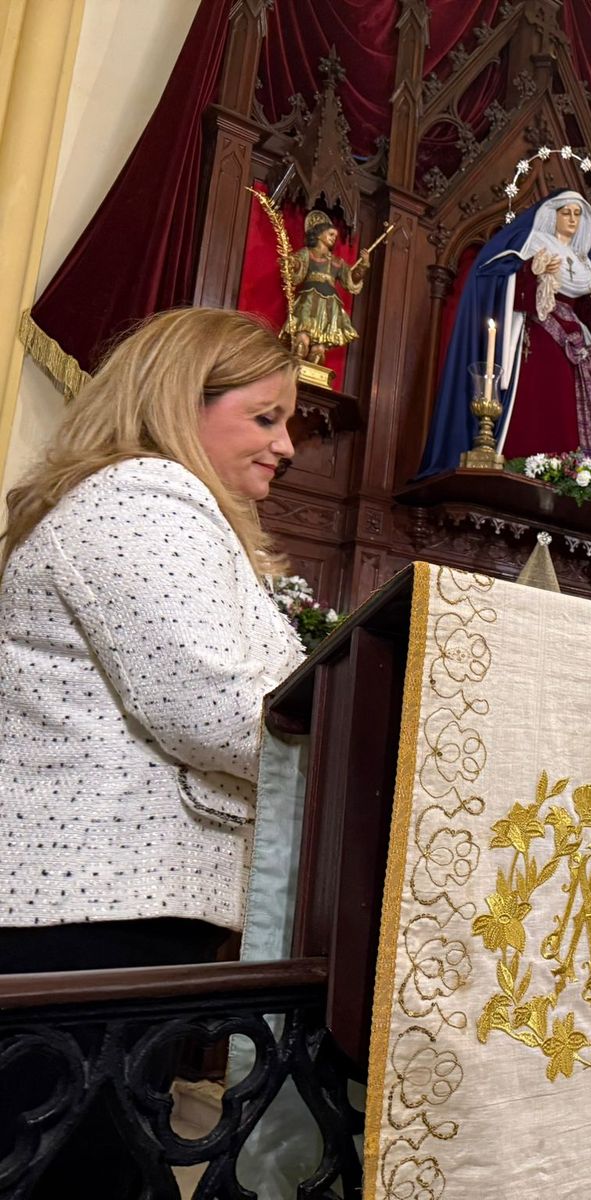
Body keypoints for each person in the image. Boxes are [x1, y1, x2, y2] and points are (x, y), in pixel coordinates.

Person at [0, 307, 307, 1194]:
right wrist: (365, 755)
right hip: (85, 907)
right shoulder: (144, 501)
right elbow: (217, 711)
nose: (285, 446)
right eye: (265, 416)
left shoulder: (145, 505)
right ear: (181, 401)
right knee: (77, 1171)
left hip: (101, 903)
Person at [420, 188, 591, 476]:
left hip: (579, 352)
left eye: (577, 214)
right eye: (566, 212)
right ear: (553, 215)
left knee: (578, 411)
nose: (573, 219)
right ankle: (532, 463)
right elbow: (501, 282)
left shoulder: (586, 263)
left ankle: (585, 473)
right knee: (543, 405)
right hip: (540, 340)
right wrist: (532, 272)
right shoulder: (535, 244)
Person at [286, 209, 368, 365]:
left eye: (335, 237)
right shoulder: (307, 253)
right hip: (309, 297)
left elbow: (351, 279)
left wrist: (363, 265)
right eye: (330, 234)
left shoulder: (337, 262)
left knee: (321, 342)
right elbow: (297, 267)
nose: (333, 238)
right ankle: (299, 350)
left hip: (330, 302)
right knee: (303, 333)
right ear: (318, 234)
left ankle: (317, 353)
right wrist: (292, 263)